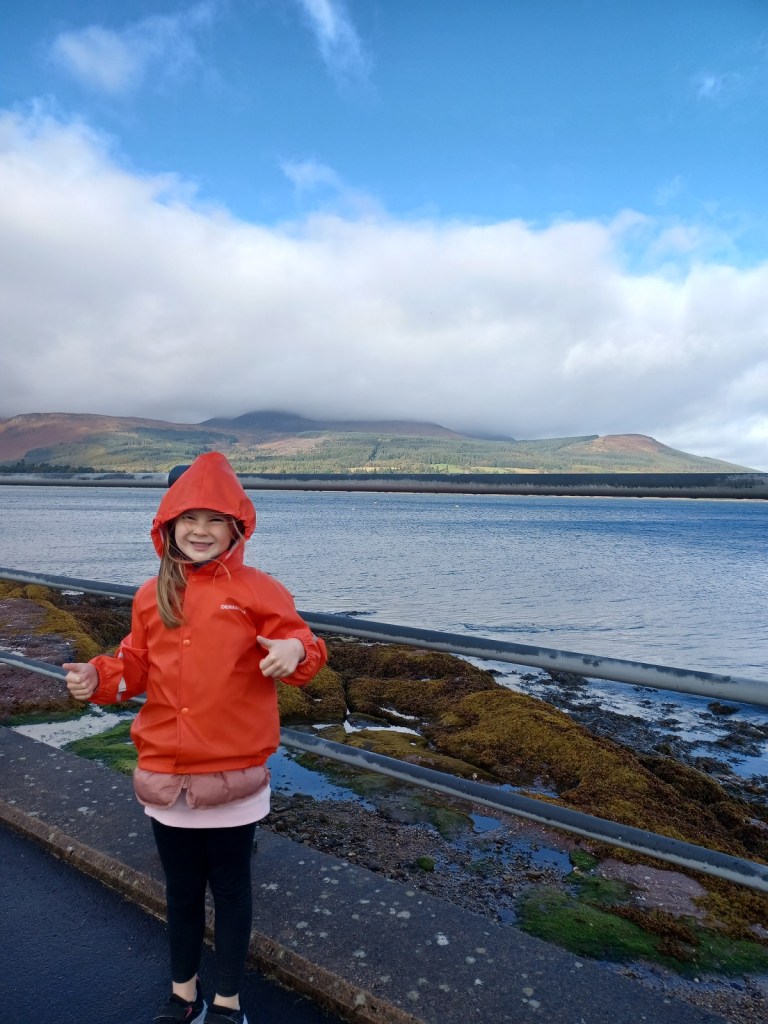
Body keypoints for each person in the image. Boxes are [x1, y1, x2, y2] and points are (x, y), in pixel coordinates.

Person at [65, 452, 327, 1024]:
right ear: (167, 526)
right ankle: (184, 995)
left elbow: (305, 646)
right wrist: (98, 676)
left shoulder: (260, 590)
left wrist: (294, 651)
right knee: (181, 893)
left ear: (237, 526)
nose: (200, 531)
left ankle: (229, 1003)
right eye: (188, 518)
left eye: (213, 519)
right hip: (165, 776)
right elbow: (134, 665)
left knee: (232, 891)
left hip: (232, 776)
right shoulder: (149, 594)